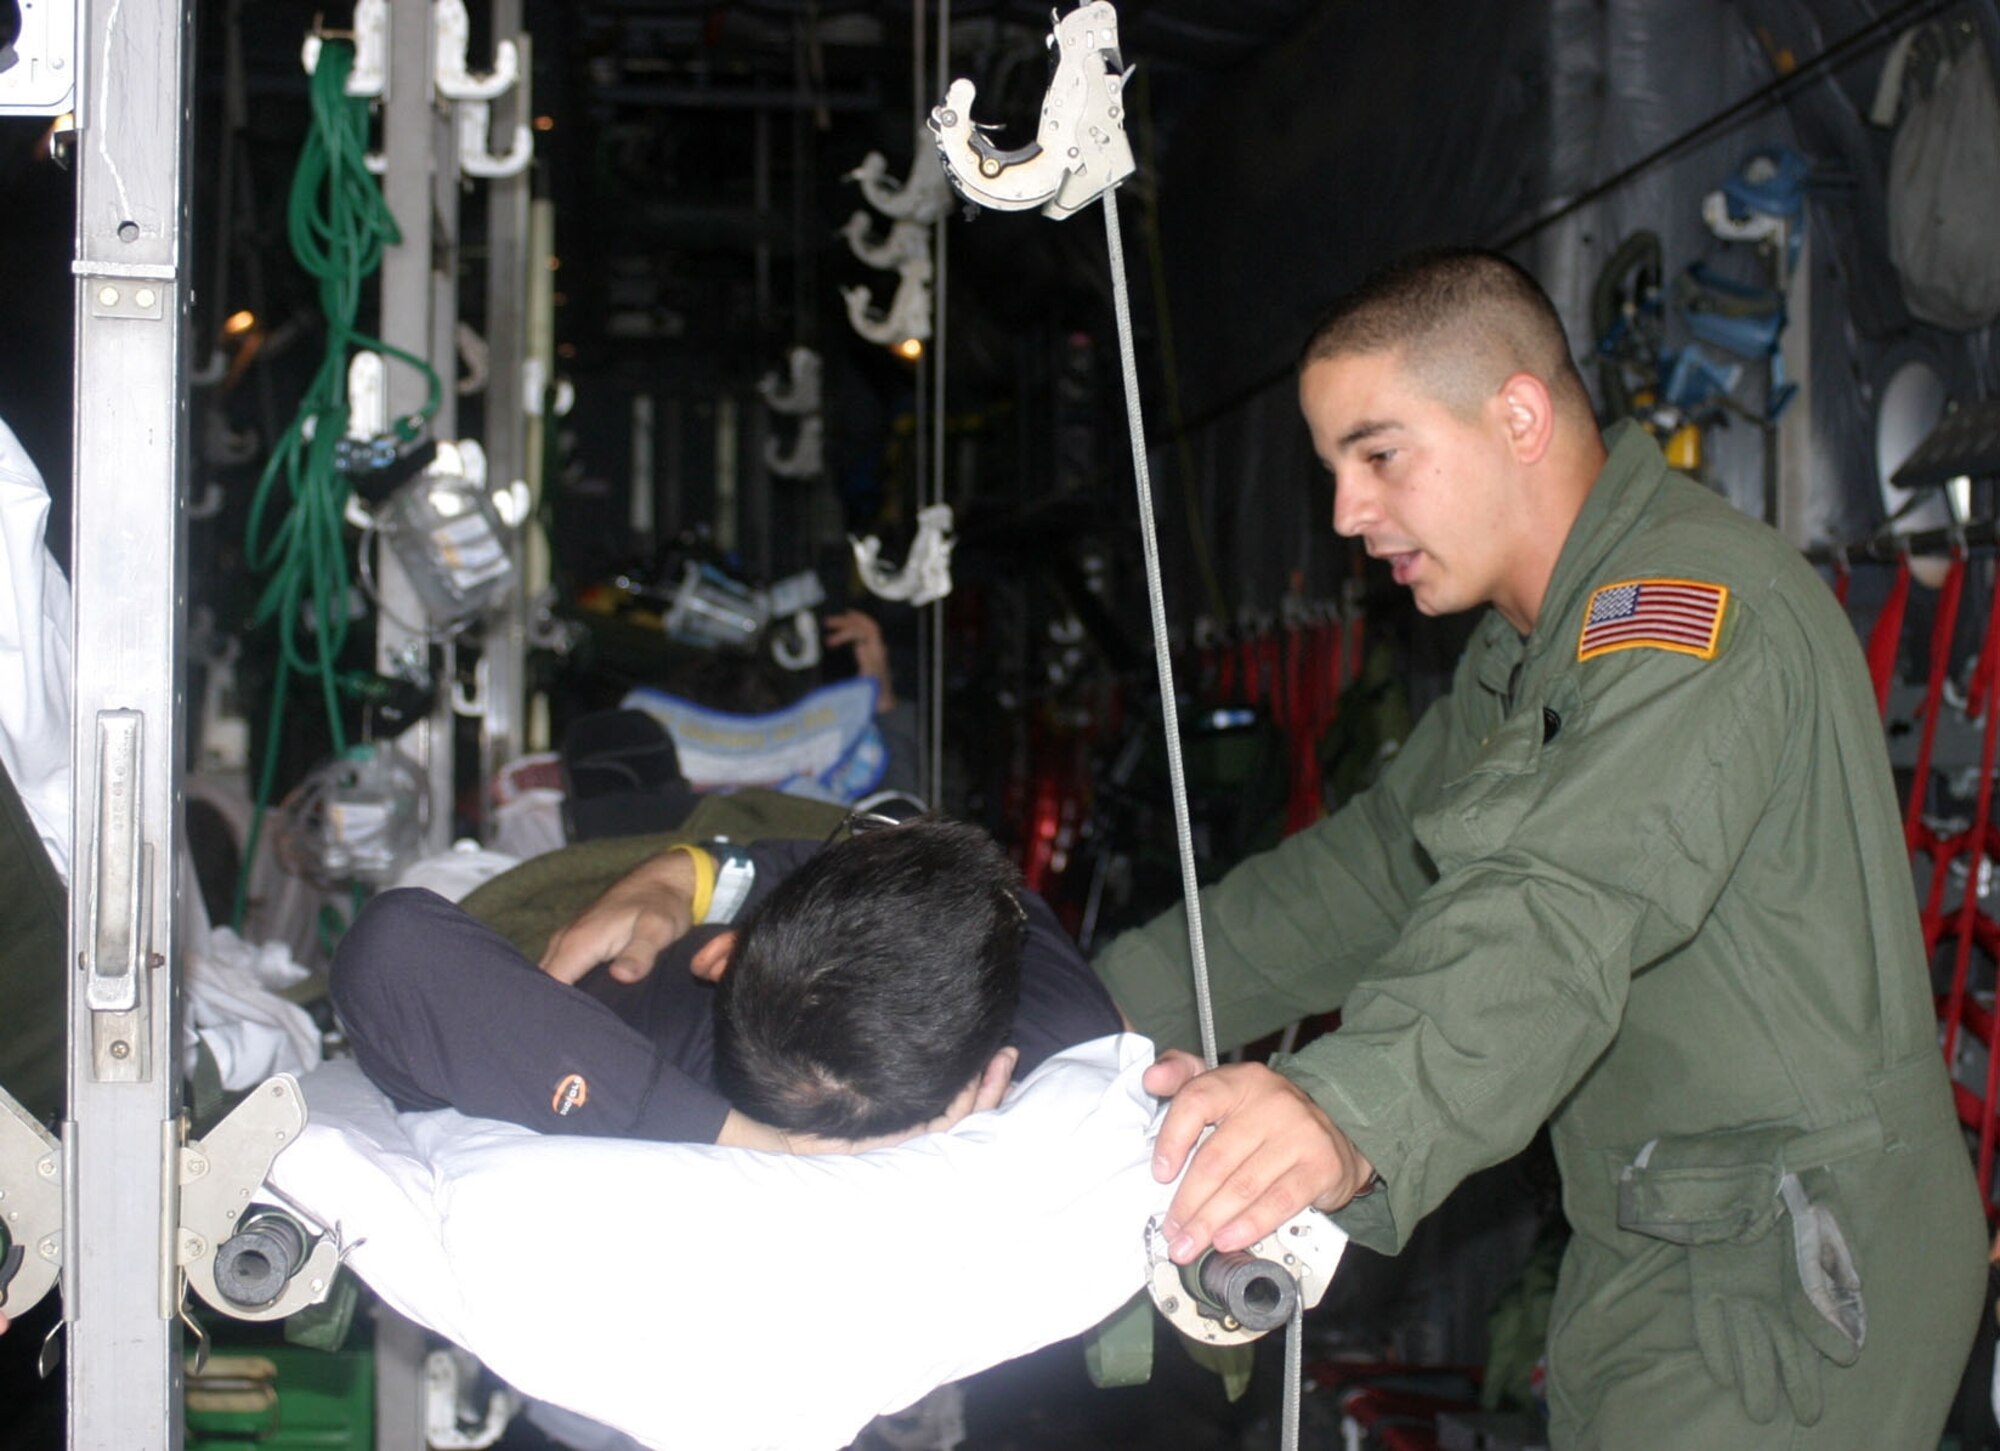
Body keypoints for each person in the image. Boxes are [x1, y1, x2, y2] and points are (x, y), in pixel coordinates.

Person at [1094, 247, 1986, 1447]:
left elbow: (1560, 897)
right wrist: (1098, 1005)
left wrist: (1345, 1110)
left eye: (1377, 455)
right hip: (1673, 1228)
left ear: (1516, 416)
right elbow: (1373, 873)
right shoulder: (1530, 650)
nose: (1346, 513)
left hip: (1792, 1263)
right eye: (1331, 470)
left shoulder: (1687, 616)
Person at [332, 816, 1123, 1153]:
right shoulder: (1057, 1005)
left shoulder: (616, 1068)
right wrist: (686, 876)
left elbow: (393, 949)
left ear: (719, 957)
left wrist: (757, 1144)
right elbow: (825, 855)